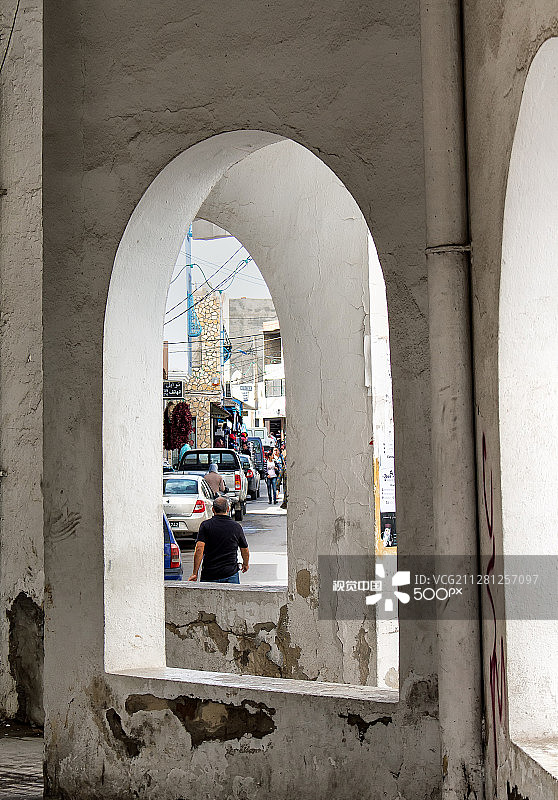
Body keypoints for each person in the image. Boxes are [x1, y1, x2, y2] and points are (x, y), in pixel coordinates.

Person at [188, 496, 249, 584]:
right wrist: (245, 564)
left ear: (213, 510)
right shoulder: (236, 527)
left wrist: (195, 573)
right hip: (230, 574)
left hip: (209, 574)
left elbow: (199, 549)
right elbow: (245, 549)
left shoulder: (206, 526)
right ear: (228, 509)